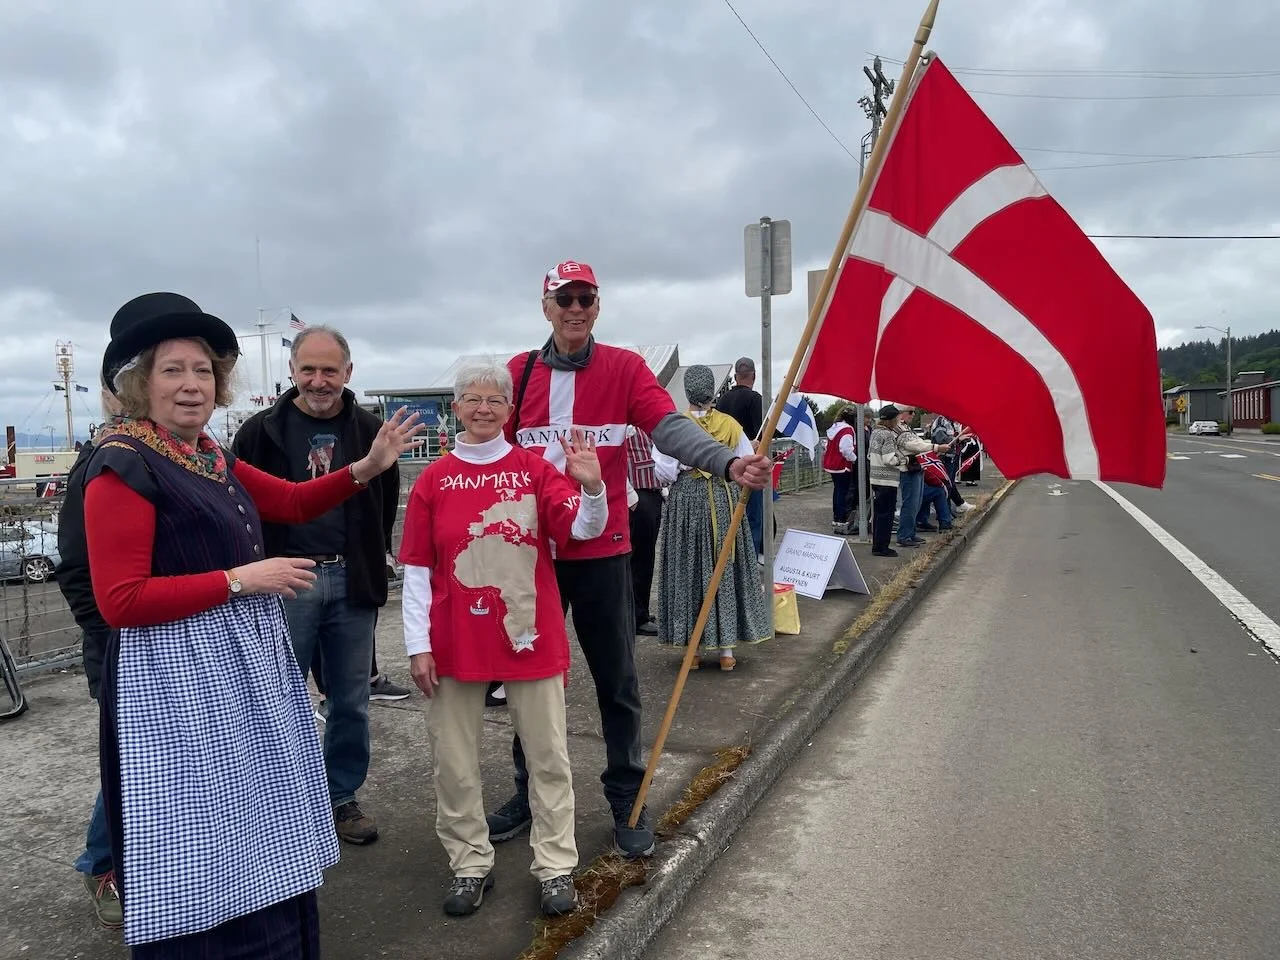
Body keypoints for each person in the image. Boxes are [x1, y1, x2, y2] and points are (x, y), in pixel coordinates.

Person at [83, 292, 422, 956]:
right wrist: (245, 579)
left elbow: (293, 498)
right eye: (172, 371)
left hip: (232, 665)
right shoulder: (123, 463)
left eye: (203, 372)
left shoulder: (206, 455)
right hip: (176, 677)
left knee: (249, 818)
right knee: (195, 831)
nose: (191, 385)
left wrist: (369, 467)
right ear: (139, 385)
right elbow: (120, 600)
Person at [488, 261, 771, 858]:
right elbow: (486, 447)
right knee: (530, 680)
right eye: (564, 298)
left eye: (586, 298)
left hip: (604, 550)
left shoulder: (623, 368)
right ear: (545, 306)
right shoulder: (520, 373)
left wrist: (724, 461)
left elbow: (669, 428)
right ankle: (528, 791)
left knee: (617, 680)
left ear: (597, 306)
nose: (575, 308)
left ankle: (626, 796)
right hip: (535, 556)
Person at [400, 362, 607, 918]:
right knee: (454, 761)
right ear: (456, 407)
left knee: (548, 757)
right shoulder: (433, 479)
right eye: (472, 398)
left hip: (528, 634)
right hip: (452, 639)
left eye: (495, 400)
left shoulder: (536, 470)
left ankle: (556, 865)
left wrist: (592, 486)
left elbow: (581, 529)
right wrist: (416, 644)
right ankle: (470, 864)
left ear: (510, 408)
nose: (484, 408)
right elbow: (418, 568)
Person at [232, 325, 404, 844]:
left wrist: (373, 562)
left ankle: (340, 796)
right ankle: (278, 801)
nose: (319, 380)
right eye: (308, 369)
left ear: (348, 373)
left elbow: (382, 503)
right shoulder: (259, 432)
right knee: (276, 698)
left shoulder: (372, 430)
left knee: (350, 699)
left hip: (349, 577)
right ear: (292, 371)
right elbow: (243, 507)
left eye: (330, 370)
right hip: (285, 580)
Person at [56, 383, 123, 930]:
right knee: (126, 762)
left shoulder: (189, 453)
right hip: (120, 646)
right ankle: (100, 864)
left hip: (172, 643)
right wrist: (108, 635)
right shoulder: (102, 464)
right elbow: (77, 570)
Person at [653, 366, 772, 671]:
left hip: (686, 504)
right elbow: (745, 464)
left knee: (687, 569)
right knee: (726, 568)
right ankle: (727, 652)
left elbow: (662, 473)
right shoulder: (731, 425)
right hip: (724, 500)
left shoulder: (675, 426)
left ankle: (691, 650)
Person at [868, 405, 952, 552]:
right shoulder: (895, 431)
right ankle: (903, 536)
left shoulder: (887, 431)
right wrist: (935, 448)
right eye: (911, 412)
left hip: (900, 472)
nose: (913, 415)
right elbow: (912, 445)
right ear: (898, 415)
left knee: (913, 503)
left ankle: (908, 534)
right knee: (908, 505)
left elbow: (916, 444)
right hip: (903, 471)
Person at [715, 357, 765, 556]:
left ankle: (731, 556)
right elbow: (762, 435)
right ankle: (751, 559)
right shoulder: (755, 399)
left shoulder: (722, 400)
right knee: (753, 516)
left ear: (735, 376)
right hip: (750, 466)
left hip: (726, 466)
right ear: (753, 375)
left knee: (730, 516)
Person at [625, 425, 664, 636]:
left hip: (651, 491)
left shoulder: (642, 421)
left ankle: (640, 611)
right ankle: (636, 617)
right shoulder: (623, 423)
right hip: (637, 494)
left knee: (645, 557)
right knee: (639, 558)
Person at [821, 407, 859, 534]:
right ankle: (841, 519)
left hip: (832, 465)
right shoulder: (847, 430)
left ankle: (837, 517)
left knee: (837, 491)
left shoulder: (834, 427)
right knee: (842, 492)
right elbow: (845, 449)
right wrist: (854, 459)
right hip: (842, 465)